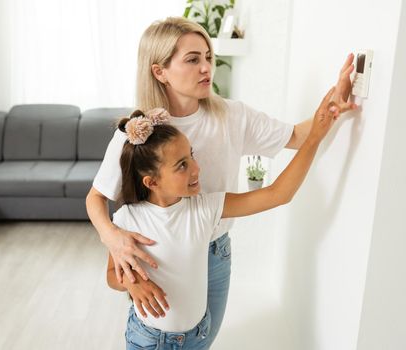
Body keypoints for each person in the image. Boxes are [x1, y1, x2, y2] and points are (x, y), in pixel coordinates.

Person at [86, 16, 356, 346]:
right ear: (160, 72)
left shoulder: (232, 115)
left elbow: (297, 137)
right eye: (192, 59)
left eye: (209, 57)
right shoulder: (140, 134)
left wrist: (330, 110)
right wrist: (112, 236)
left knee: (201, 338)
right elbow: (96, 198)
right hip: (160, 254)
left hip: (215, 251)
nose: (206, 68)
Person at [106, 93, 342, 349]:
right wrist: (132, 282)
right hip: (148, 341)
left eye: (192, 156)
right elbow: (111, 274)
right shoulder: (127, 219)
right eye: (182, 165)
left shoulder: (204, 208)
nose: (196, 168)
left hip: (197, 335)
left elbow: (278, 194)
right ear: (152, 182)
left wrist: (315, 137)